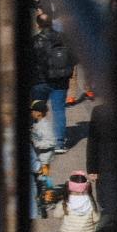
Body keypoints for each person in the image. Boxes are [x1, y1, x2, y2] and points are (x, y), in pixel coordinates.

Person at [31, 11, 75, 153]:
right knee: (59, 111)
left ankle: (36, 139)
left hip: (39, 81)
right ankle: (59, 143)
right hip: (60, 81)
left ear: (38, 25)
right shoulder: (64, 39)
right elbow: (75, 58)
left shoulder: (35, 40)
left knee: (36, 109)